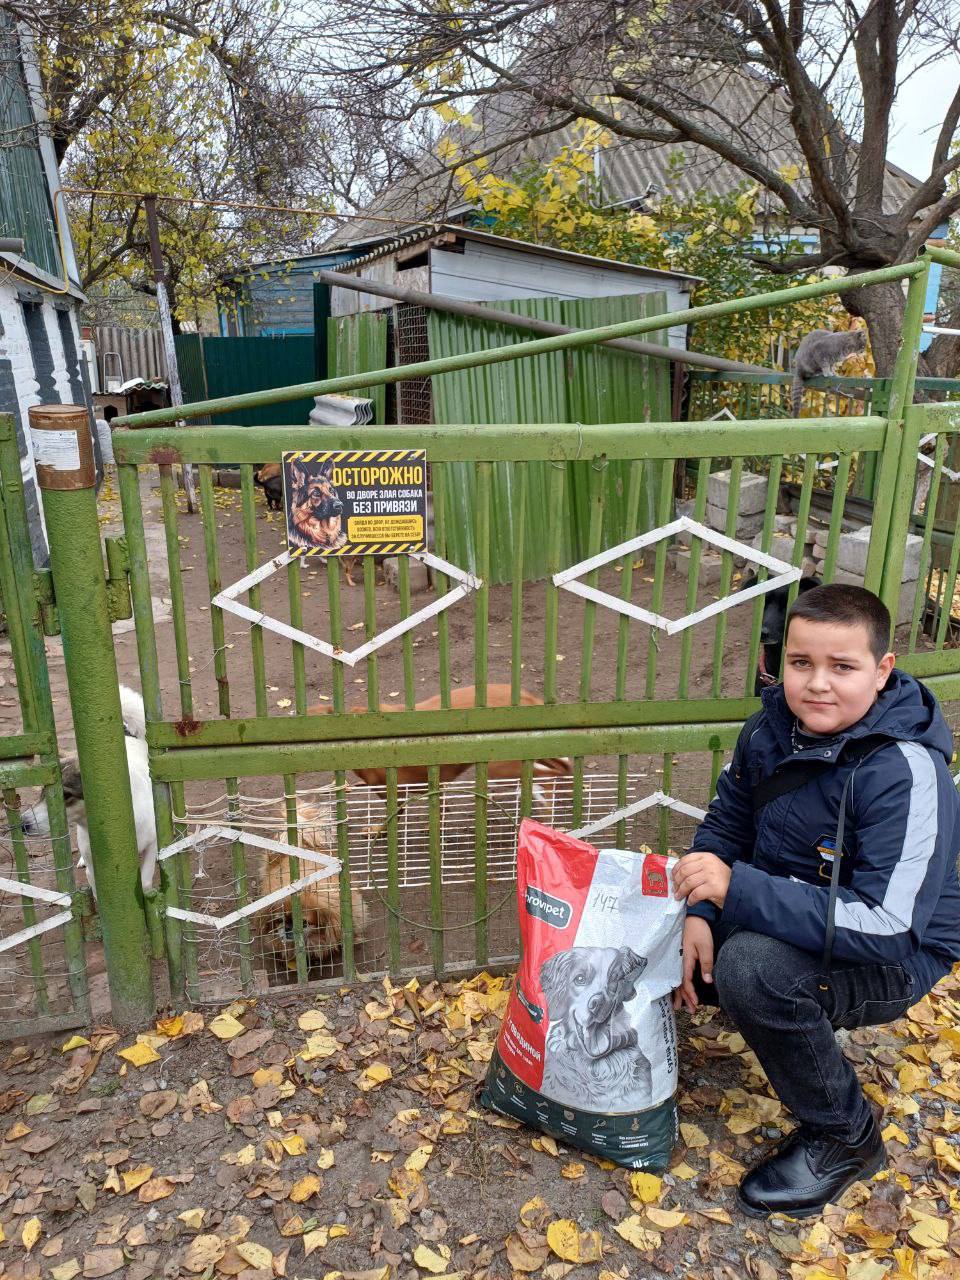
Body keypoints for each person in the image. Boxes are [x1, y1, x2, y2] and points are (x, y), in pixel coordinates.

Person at [671, 583, 960, 1219]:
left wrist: (736, 892)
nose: (817, 685)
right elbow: (726, 827)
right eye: (801, 664)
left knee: (750, 968)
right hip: (806, 903)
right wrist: (699, 912)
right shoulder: (771, 727)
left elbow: (889, 925)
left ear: (882, 672)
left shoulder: (906, 772)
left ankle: (845, 1135)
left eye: (843, 667)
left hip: (896, 956)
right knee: (670, 910)